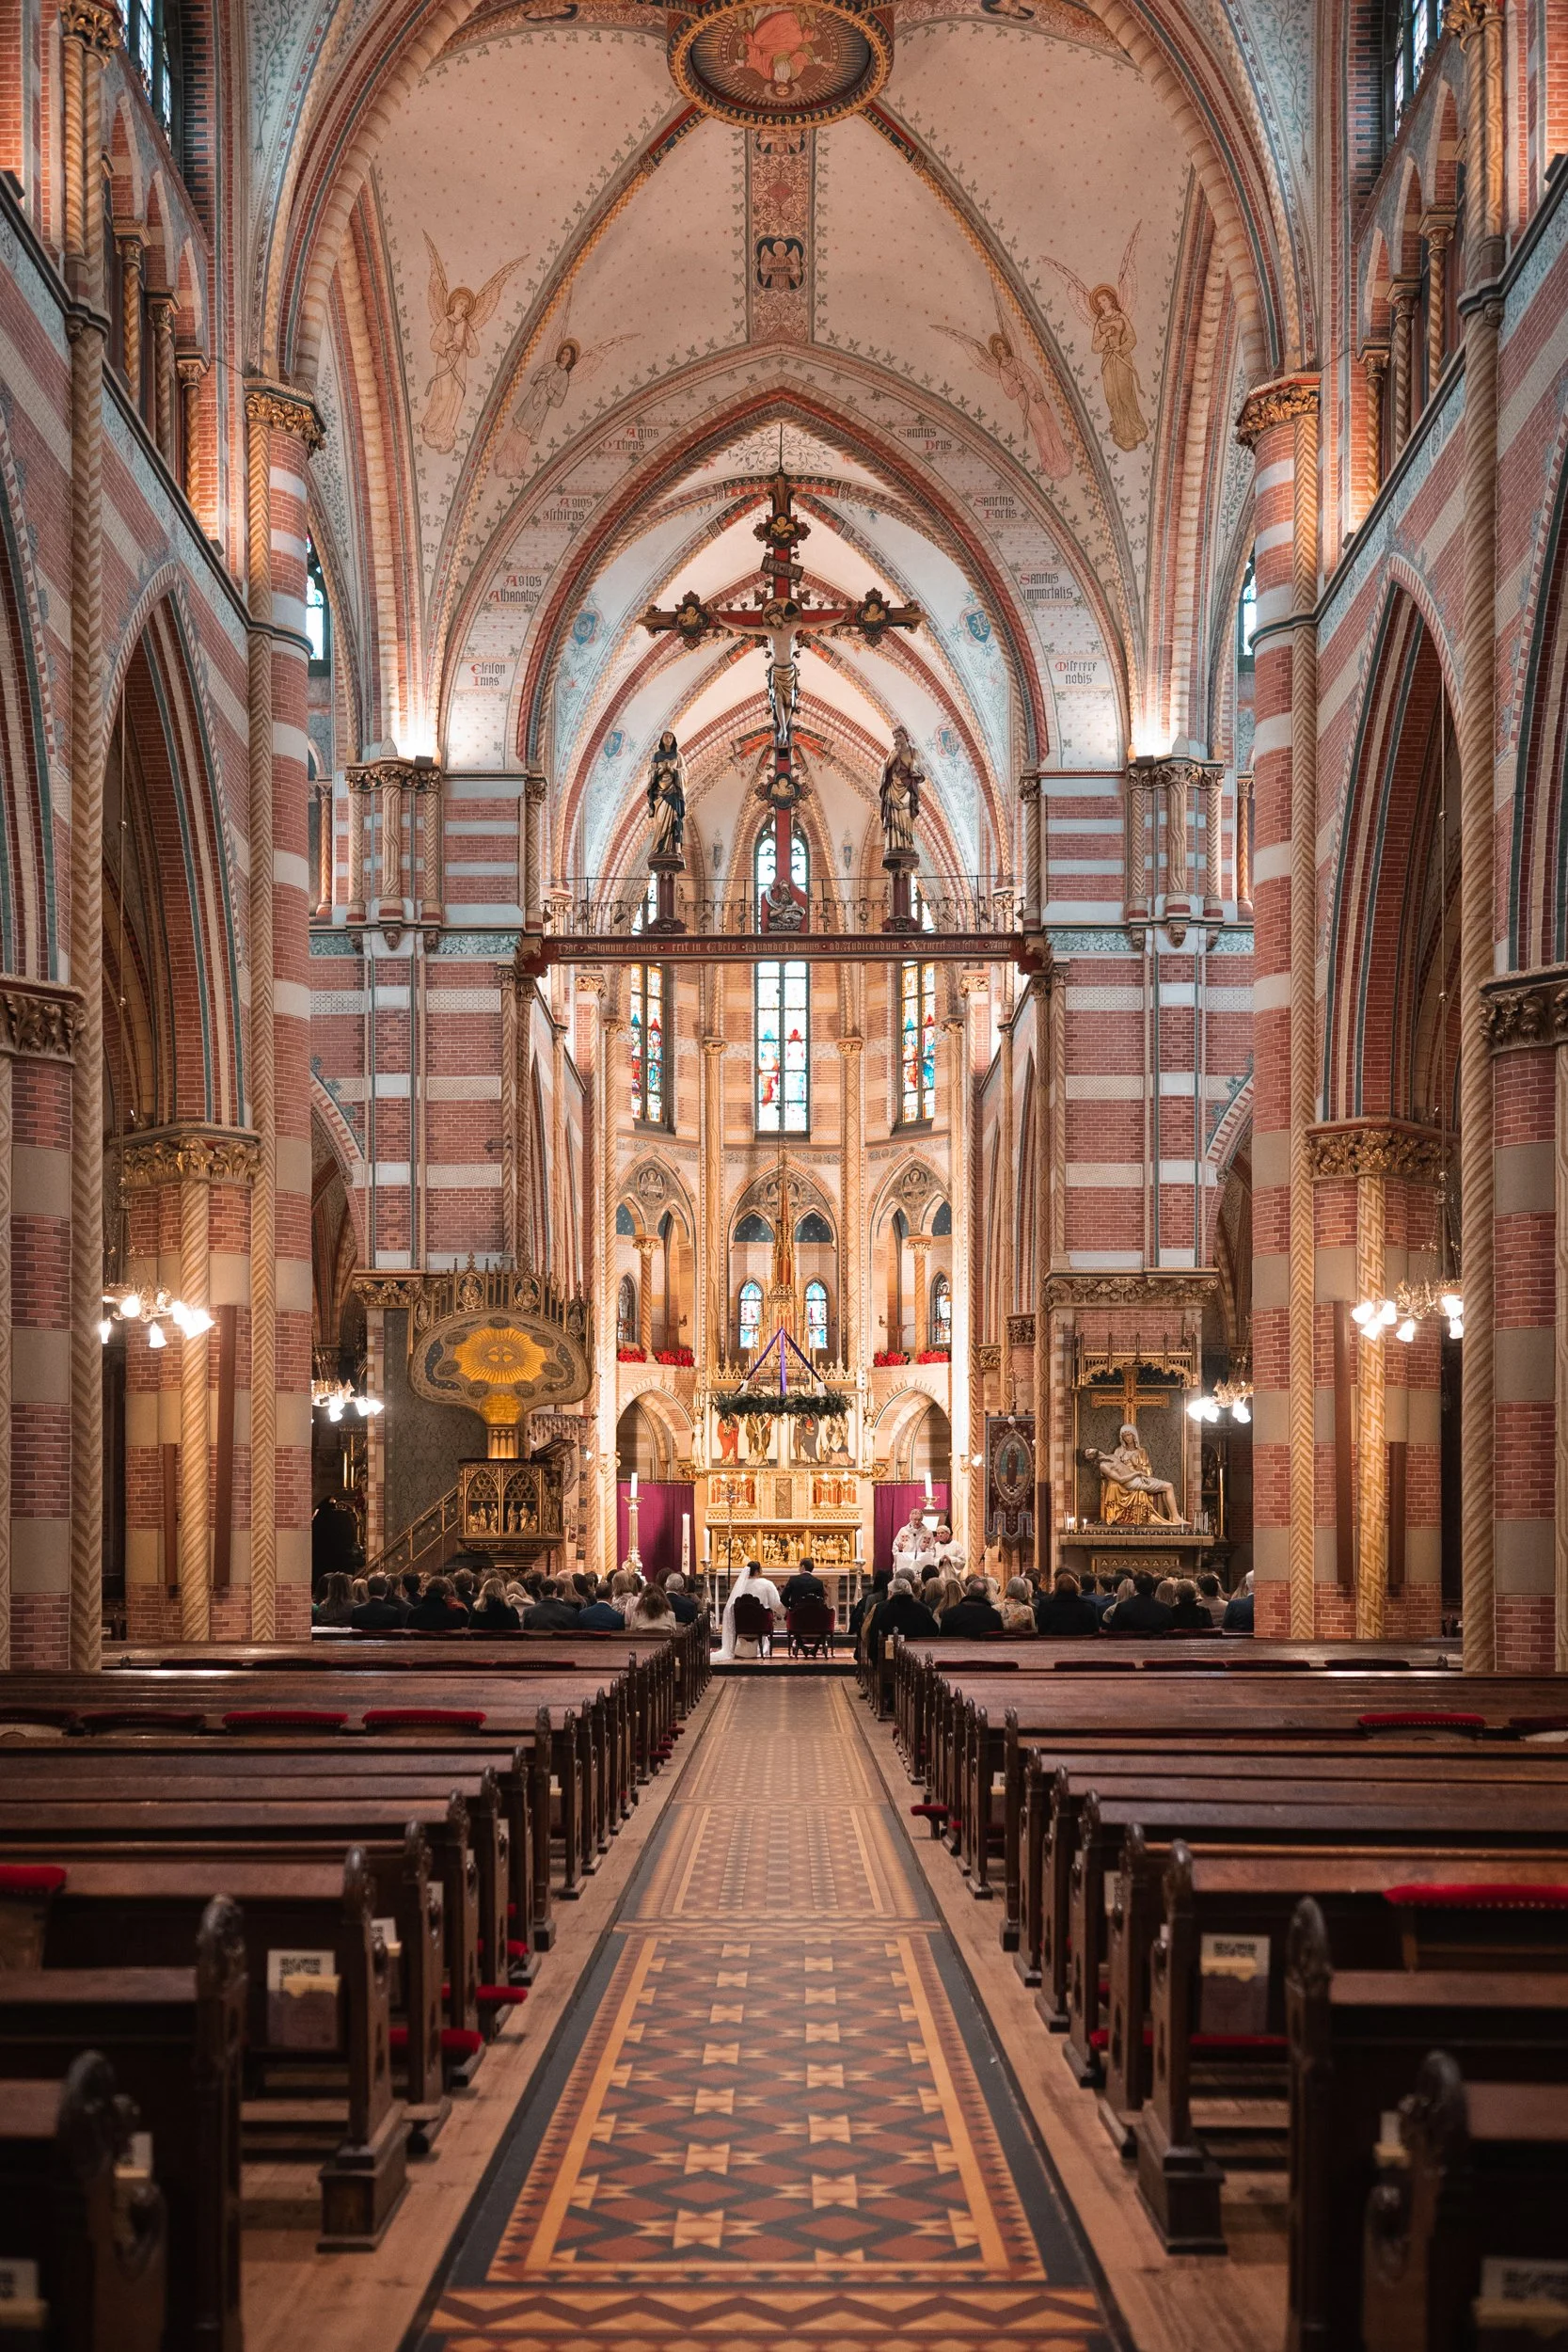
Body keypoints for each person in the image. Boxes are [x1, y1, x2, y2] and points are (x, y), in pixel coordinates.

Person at [719, 1558, 784, 1659]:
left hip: (742, 1623)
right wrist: (785, 1613)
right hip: (760, 1623)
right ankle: (762, 1649)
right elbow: (775, 1604)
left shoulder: (740, 1586)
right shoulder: (767, 1584)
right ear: (758, 1571)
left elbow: (732, 1606)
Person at [1103, 1571, 1175, 1634]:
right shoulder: (1165, 1608)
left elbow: (1114, 1633)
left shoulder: (1122, 1607)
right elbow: (1171, 1633)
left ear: (1134, 1587)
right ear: (1153, 1587)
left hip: (1129, 1647)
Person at [1034, 1571, 1101, 1637]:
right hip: (1083, 1644)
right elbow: (1095, 1630)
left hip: (1053, 1645)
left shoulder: (1047, 1607)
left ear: (1057, 1588)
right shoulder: (1087, 1606)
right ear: (1076, 1586)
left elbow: (1041, 1630)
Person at [877, 1573, 938, 1644]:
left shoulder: (883, 1609)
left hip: (889, 1650)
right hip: (919, 1649)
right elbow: (933, 1631)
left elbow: (875, 1633)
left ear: (891, 1592)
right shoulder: (923, 1609)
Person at [939, 1576, 1005, 1637]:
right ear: (985, 1594)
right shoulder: (994, 1615)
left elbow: (943, 1638)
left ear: (968, 1591)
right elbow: (999, 1638)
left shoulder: (950, 1613)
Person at [404, 1574, 469, 1631]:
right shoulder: (453, 1615)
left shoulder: (413, 1613)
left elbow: (407, 1637)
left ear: (427, 1590)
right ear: (444, 1594)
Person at [1222, 1569, 1255, 1633]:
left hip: (1240, 1640)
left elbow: (1225, 1628)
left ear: (1247, 1585)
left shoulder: (1235, 1604)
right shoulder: (1274, 1604)